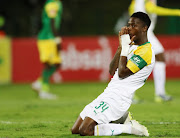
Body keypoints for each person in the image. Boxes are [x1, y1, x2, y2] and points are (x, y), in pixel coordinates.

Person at [71, 12, 155, 136]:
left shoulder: (146, 51)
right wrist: (121, 48)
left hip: (118, 99)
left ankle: (130, 128)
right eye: (129, 25)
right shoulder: (131, 46)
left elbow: (122, 73)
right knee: (76, 130)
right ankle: (122, 119)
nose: (129, 29)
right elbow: (112, 70)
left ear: (144, 28)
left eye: (134, 26)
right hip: (108, 93)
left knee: (86, 130)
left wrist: (126, 49)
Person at [128, 0, 180, 103]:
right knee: (155, 59)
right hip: (144, 33)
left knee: (141, 62)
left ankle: (158, 94)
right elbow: (151, 8)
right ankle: (159, 94)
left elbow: (132, 10)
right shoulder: (144, 2)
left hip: (141, 33)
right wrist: (176, 12)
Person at [32, 0, 63, 99]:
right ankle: (44, 91)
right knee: (49, 65)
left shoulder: (57, 3)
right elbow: (51, 20)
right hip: (47, 39)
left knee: (57, 64)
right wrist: (56, 37)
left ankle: (39, 83)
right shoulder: (52, 4)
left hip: (50, 39)